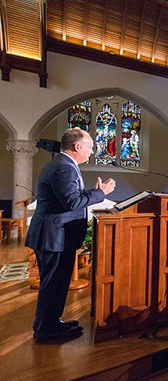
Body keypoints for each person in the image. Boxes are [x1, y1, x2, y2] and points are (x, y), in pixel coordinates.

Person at [27, 128, 116, 343]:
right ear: (77, 147)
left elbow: (70, 197)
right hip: (54, 236)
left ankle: (50, 323)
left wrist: (92, 193)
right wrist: (100, 193)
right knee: (53, 284)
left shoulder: (64, 164)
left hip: (56, 235)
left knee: (57, 283)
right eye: (89, 147)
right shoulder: (63, 168)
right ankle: (46, 330)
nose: (92, 152)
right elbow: (71, 203)